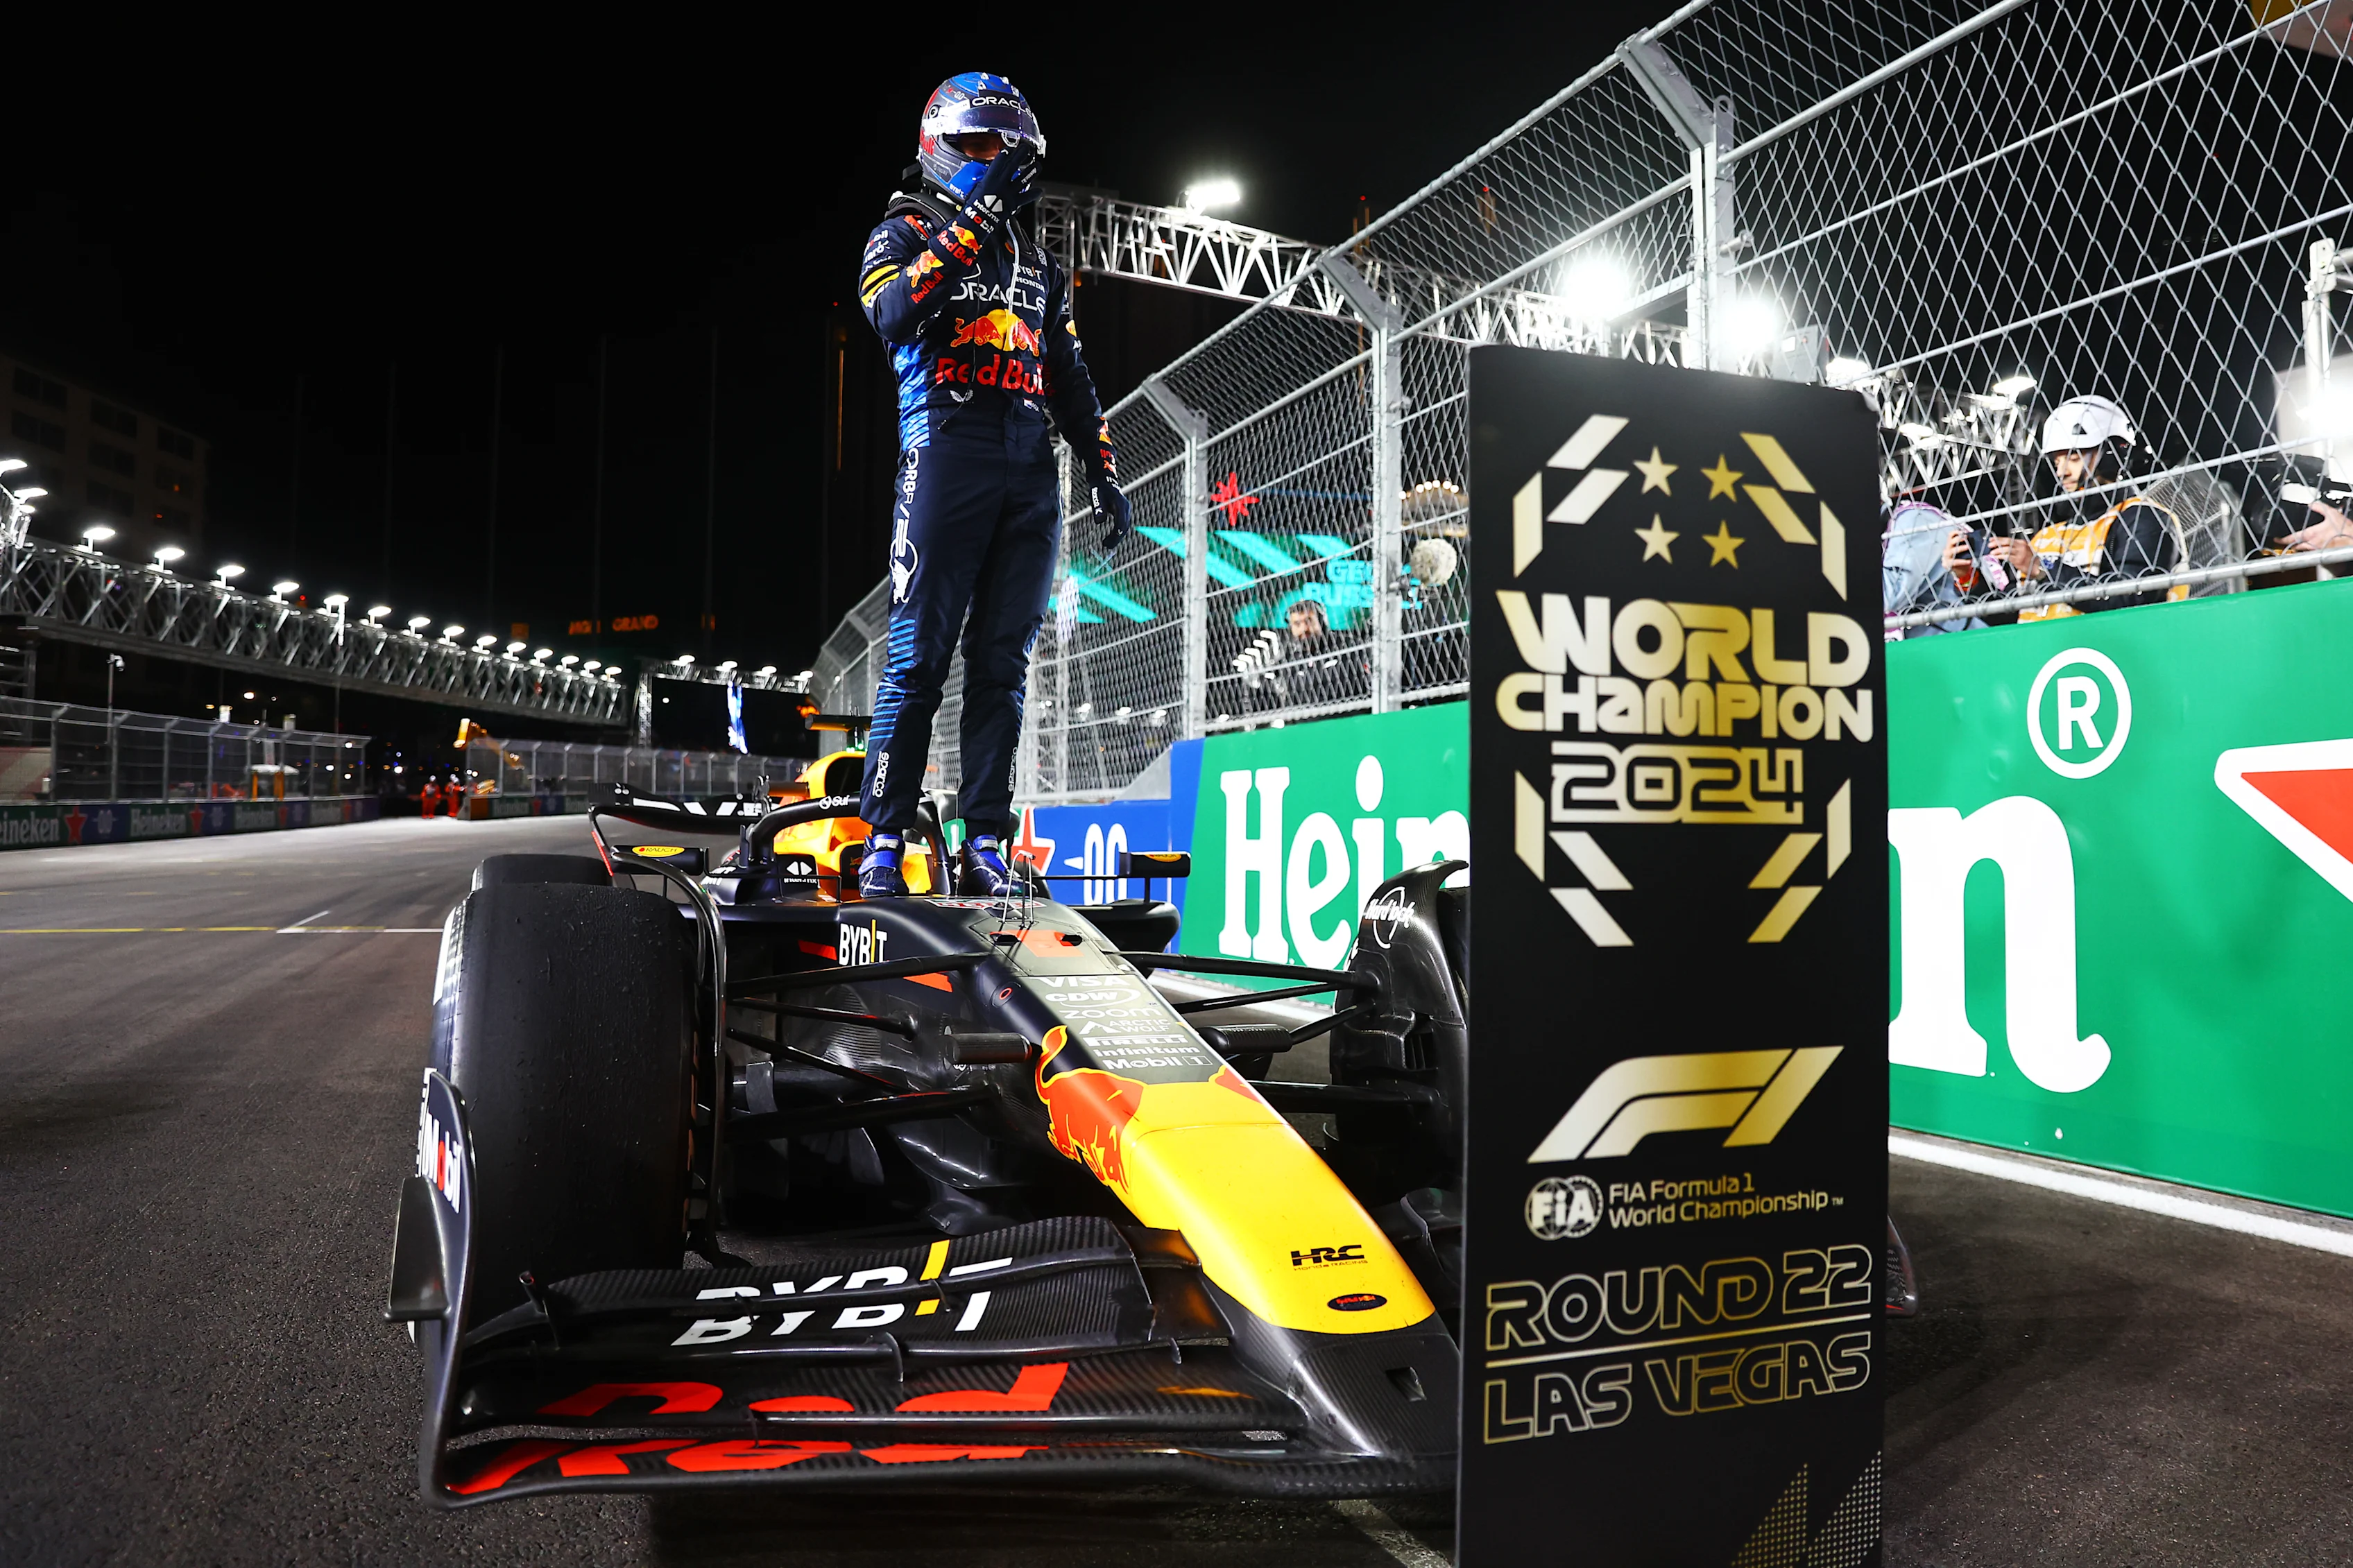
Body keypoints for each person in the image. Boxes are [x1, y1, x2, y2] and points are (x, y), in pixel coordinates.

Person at [853, 73, 1129, 897]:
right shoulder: (900, 230)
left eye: (1007, 147)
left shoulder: (1039, 262)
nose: (993, 159)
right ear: (938, 143)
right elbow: (892, 314)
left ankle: (984, 840)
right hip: (945, 450)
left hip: (1030, 466)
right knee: (917, 658)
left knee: (1002, 667)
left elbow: (1068, 375)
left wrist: (1102, 465)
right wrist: (975, 219)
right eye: (976, 143)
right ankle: (882, 839)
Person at [1943, 394, 2181, 619]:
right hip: (2044, 648)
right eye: (2057, 462)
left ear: (2111, 455)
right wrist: (1969, 579)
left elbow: (2133, 598)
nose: (2061, 472)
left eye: (2073, 458)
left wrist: (2043, 568)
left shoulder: (2144, 517)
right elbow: (2013, 616)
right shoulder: (2048, 536)